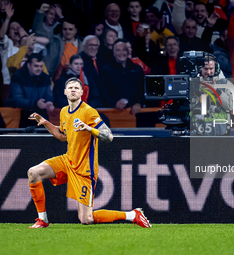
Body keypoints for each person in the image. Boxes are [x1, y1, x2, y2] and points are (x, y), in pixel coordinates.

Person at [27, 77, 151, 228]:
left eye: (76, 88)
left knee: (86, 219)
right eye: (70, 88)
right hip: (68, 161)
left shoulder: (89, 112)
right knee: (33, 173)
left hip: (84, 169)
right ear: (65, 92)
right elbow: (62, 136)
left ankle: (132, 215)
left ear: (81, 92)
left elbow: (109, 136)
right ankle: (43, 220)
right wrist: (46, 123)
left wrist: (89, 128)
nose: (73, 90)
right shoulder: (64, 111)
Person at [5, 53, 54, 127]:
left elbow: (48, 96)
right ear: (28, 65)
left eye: (41, 66)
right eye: (36, 66)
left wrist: (49, 103)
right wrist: (36, 104)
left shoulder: (45, 78)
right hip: (21, 115)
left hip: (40, 114)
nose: (39, 69)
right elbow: (17, 100)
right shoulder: (17, 77)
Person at [98, 40, 144, 113]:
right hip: (113, 112)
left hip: (135, 112)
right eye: (118, 50)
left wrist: (139, 103)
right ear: (113, 53)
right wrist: (114, 103)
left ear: (128, 51)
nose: (121, 53)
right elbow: (103, 93)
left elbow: (142, 90)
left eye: (124, 50)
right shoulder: (105, 70)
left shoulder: (137, 69)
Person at [79, 35, 102, 108]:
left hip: (100, 101)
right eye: (91, 45)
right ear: (84, 46)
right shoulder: (79, 61)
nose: (93, 48)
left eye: (96, 45)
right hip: (87, 102)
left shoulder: (101, 60)